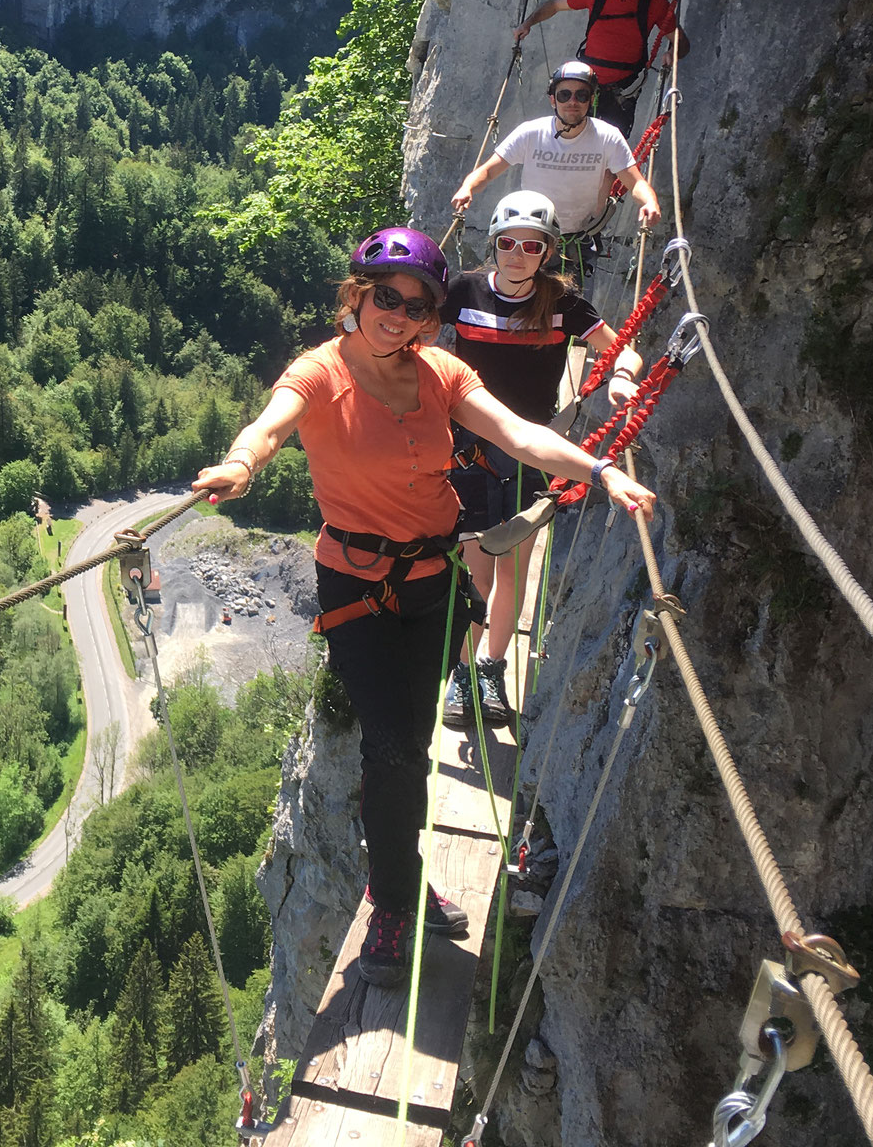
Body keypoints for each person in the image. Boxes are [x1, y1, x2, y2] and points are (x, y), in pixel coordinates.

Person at [190, 227, 656, 987]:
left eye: (416, 306)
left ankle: (402, 874)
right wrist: (241, 463)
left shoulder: (440, 372)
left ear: (431, 318)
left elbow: (517, 433)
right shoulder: (319, 371)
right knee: (396, 746)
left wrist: (598, 469)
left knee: (408, 735)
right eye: (385, 298)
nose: (398, 315)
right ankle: (396, 906)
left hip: (436, 585)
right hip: (358, 589)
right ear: (358, 296)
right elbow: (271, 424)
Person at [438, 190, 643, 733]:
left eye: (532, 245)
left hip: (529, 446)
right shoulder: (461, 290)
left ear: (547, 250)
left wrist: (621, 374)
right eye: (508, 242)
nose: (518, 254)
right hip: (466, 447)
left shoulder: (561, 303)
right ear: (494, 243)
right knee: (476, 572)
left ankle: (491, 669)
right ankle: (464, 674)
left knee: (513, 565)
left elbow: (622, 347)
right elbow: (409, 324)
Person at [450, 61, 661, 277]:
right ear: (553, 99)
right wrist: (468, 188)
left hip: (575, 242)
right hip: (529, 239)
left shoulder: (608, 137)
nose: (572, 101)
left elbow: (635, 182)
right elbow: (488, 171)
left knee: (567, 308)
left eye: (581, 95)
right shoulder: (531, 133)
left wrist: (649, 202)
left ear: (591, 100)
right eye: (564, 95)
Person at [512, 0, 688, 136]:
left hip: (622, 90)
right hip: (586, 84)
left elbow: (681, 42)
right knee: (572, 138)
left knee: (611, 151)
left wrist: (675, 53)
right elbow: (554, 5)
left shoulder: (656, 4)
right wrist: (528, 23)